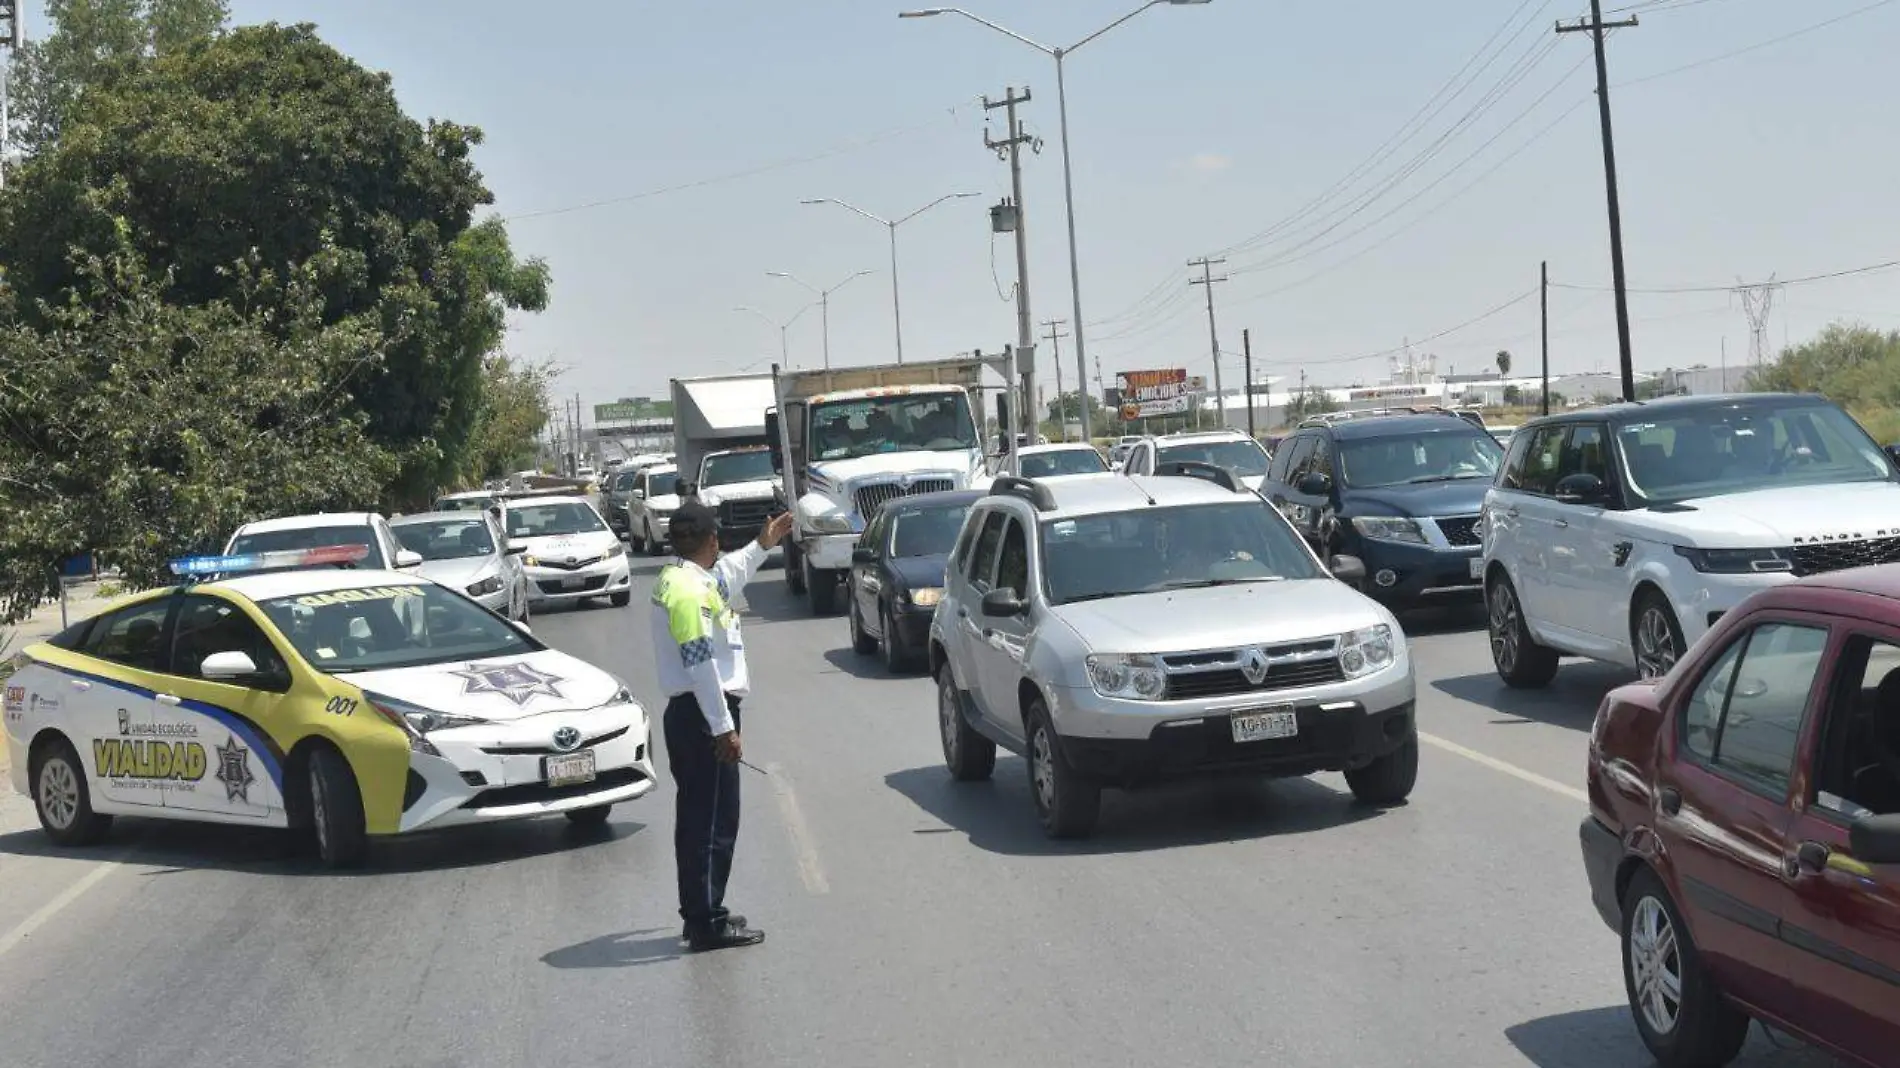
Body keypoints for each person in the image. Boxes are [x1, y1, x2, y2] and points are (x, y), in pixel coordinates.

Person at [649, 501, 796, 952]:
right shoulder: (690, 594)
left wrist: (761, 545)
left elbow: (728, 575)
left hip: (699, 713)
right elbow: (700, 665)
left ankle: (705, 908)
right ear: (712, 540)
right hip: (702, 714)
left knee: (706, 818)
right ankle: (705, 922)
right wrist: (722, 728)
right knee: (708, 822)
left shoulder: (686, 579)